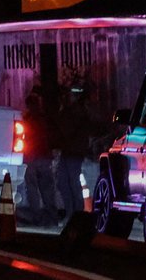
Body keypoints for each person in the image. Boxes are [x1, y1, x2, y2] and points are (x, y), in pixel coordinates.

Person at [54, 83, 98, 228]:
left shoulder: (77, 112)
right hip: (69, 152)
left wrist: (62, 112)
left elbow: (67, 129)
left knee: (72, 184)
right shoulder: (75, 111)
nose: (69, 97)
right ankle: (71, 214)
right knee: (63, 183)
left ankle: (76, 216)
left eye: (72, 95)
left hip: (74, 153)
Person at [18, 87, 60, 225]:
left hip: (31, 156)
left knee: (33, 189)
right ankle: (51, 216)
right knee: (46, 188)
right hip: (43, 156)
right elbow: (51, 136)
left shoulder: (27, 119)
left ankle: (37, 216)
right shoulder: (45, 119)